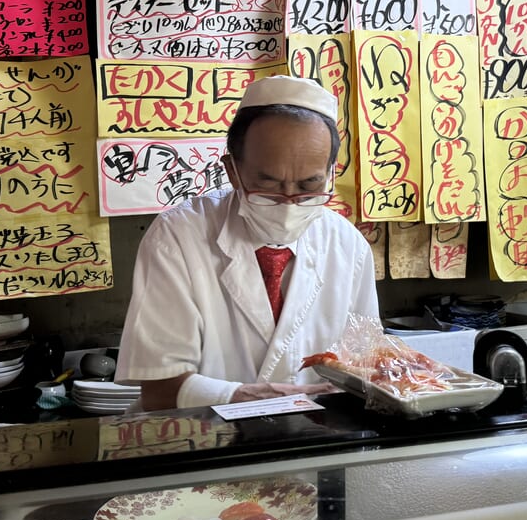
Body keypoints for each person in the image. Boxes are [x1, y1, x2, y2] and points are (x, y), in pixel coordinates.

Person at [116, 76, 381, 411]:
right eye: (267, 184)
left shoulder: (348, 246)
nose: (289, 203)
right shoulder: (178, 237)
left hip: (315, 448)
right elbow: (159, 390)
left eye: (308, 185)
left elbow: (365, 368)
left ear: (330, 173)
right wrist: (247, 399)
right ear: (232, 171)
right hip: (203, 448)